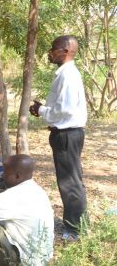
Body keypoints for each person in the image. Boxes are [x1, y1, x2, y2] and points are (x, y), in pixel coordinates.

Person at [30, 35, 87, 240]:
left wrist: (42, 109)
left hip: (66, 135)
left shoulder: (68, 75)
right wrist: (44, 110)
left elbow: (66, 110)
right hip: (66, 134)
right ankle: (78, 223)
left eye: (53, 48)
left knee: (70, 182)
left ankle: (74, 230)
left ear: (65, 51)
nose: (50, 52)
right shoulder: (64, 73)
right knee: (73, 180)